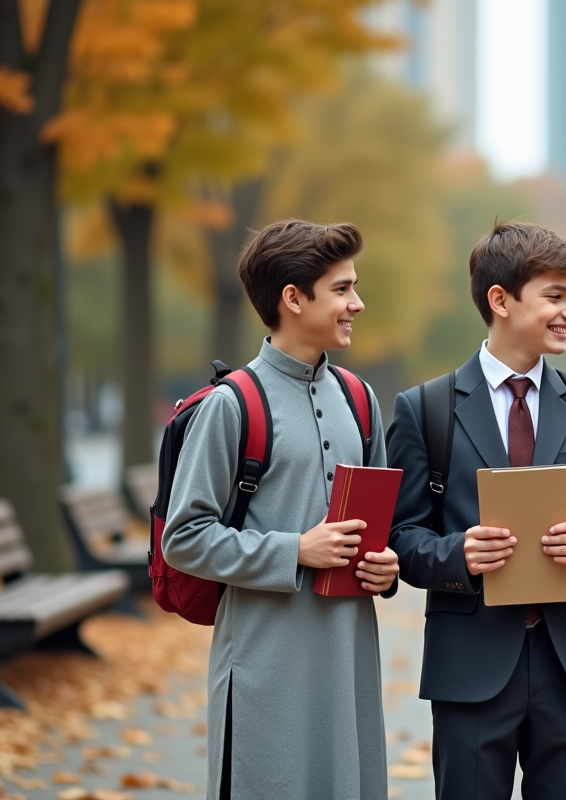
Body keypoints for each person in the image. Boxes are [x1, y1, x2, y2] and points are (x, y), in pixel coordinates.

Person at [385, 221, 566, 800]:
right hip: (469, 668)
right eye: (555, 295)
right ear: (500, 300)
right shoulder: (423, 409)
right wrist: (458, 554)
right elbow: (402, 537)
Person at [163, 220, 400, 800]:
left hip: (348, 659)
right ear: (294, 299)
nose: (357, 303)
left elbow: (377, 531)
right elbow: (185, 537)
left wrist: (386, 568)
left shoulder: (360, 399)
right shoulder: (230, 405)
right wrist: (295, 550)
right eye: (342, 289)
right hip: (263, 662)